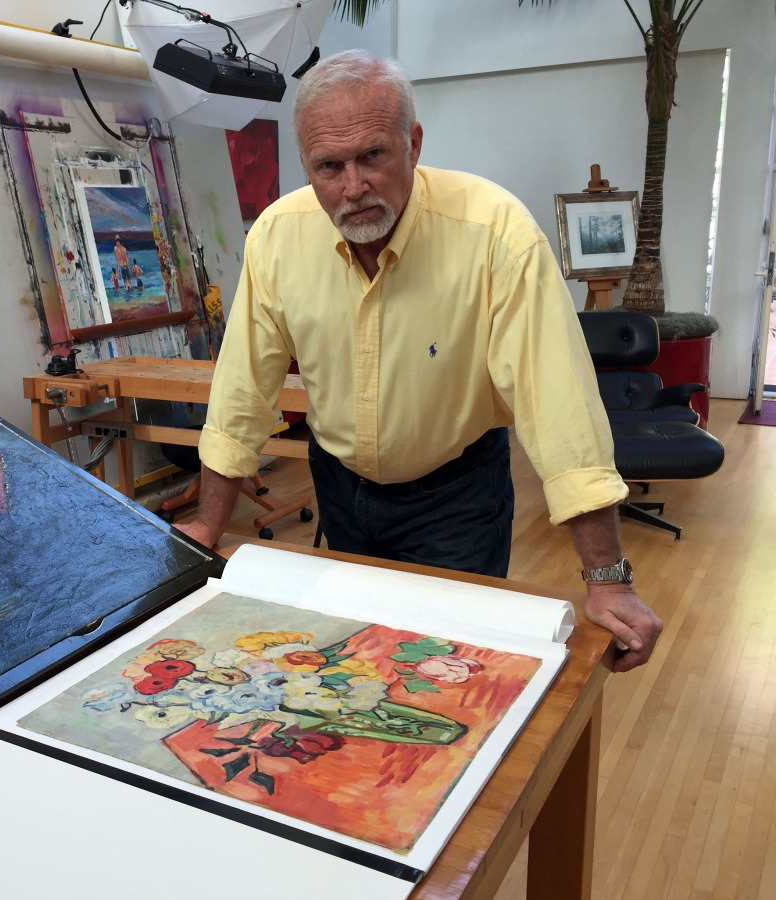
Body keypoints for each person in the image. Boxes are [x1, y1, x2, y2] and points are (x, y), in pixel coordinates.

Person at [176, 51, 661, 673]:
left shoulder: (496, 234)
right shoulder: (277, 235)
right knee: (353, 659)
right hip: (341, 488)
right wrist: (206, 528)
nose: (353, 187)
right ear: (307, 165)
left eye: (372, 156)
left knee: (445, 667)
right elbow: (242, 390)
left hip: (457, 495)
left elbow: (560, 409)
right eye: (330, 166)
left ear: (414, 143)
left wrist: (609, 578)